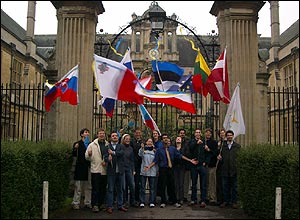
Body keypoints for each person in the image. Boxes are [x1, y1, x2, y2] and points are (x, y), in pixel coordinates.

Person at [144, 134, 197, 208]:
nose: (167, 142)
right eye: (166, 141)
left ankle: (174, 201)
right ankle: (163, 201)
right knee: (163, 186)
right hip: (163, 169)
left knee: (172, 185)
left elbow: (180, 156)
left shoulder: (172, 149)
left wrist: (190, 160)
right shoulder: (159, 150)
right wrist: (149, 166)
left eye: (168, 141)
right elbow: (155, 160)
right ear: (163, 141)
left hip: (170, 169)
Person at [85, 128, 109, 212]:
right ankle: (95, 205)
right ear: (97, 135)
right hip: (95, 169)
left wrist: (107, 161)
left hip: (104, 169)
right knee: (95, 188)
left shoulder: (107, 144)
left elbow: (108, 156)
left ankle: (101, 204)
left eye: (103, 133)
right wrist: (89, 154)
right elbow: (86, 157)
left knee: (103, 188)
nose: (102, 135)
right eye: (100, 133)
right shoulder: (92, 145)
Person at [104, 131, 128, 214]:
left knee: (120, 189)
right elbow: (105, 157)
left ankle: (120, 205)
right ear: (110, 137)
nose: (114, 137)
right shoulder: (107, 147)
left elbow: (121, 153)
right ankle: (110, 206)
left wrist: (113, 153)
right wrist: (108, 159)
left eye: (116, 136)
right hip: (111, 172)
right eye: (113, 136)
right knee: (110, 189)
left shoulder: (121, 146)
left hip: (120, 171)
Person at [217, 130, 241, 209]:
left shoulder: (237, 146)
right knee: (225, 187)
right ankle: (226, 201)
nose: (229, 136)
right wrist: (219, 157)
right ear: (226, 137)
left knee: (234, 187)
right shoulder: (222, 146)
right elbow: (218, 155)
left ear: (233, 136)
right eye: (228, 135)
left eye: (231, 135)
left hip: (234, 169)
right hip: (225, 169)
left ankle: (234, 202)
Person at [71, 128, 92, 210]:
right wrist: (75, 148)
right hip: (80, 167)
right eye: (85, 132)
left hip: (88, 167)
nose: (87, 134)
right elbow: (74, 154)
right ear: (82, 134)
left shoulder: (91, 144)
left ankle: (88, 202)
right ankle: (76, 202)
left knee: (88, 186)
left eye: (88, 132)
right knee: (78, 186)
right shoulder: (78, 143)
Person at [189, 128, 210, 208]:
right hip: (194, 165)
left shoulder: (204, 142)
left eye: (199, 132)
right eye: (196, 132)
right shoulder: (191, 142)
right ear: (194, 134)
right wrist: (196, 143)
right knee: (193, 184)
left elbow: (208, 154)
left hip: (202, 165)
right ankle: (193, 199)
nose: (197, 133)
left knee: (203, 184)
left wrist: (206, 162)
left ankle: (203, 200)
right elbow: (190, 149)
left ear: (201, 134)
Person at [138, 138, 158, 208]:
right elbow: (140, 154)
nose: (150, 142)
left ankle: (152, 201)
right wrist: (142, 148)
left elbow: (156, 160)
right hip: (144, 171)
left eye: (151, 141)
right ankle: (142, 201)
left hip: (152, 171)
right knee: (142, 187)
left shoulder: (155, 151)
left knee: (152, 188)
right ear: (146, 142)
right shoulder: (144, 150)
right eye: (148, 141)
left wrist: (155, 150)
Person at [121, 134, 137, 208]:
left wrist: (133, 169)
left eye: (129, 139)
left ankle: (132, 201)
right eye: (126, 139)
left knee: (132, 185)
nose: (128, 140)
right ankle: (124, 201)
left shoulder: (130, 148)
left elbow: (132, 160)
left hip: (129, 168)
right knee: (123, 186)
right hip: (122, 169)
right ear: (123, 139)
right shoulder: (120, 147)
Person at [204, 128, 218, 205]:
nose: (208, 134)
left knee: (212, 182)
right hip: (204, 165)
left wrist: (209, 150)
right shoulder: (203, 142)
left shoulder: (214, 143)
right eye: (206, 133)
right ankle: (205, 197)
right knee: (205, 182)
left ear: (211, 134)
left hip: (212, 165)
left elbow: (215, 153)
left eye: (209, 133)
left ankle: (212, 198)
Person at [130, 127, 144, 206]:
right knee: (133, 183)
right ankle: (133, 199)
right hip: (133, 164)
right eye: (137, 133)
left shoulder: (143, 141)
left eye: (139, 133)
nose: (138, 134)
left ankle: (138, 199)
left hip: (141, 164)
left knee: (139, 183)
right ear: (134, 134)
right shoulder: (132, 142)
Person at [178, 128, 191, 203]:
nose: (182, 134)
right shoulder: (176, 141)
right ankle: (180, 196)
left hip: (186, 165)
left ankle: (185, 196)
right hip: (178, 165)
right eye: (181, 133)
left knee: (186, 182)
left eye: (183, 133)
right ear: (179, 134)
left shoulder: (187, 142)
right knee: (179, 182)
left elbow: (188, 153)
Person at [173, 136, 185, 205]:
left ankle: (181, 198)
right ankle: (176, 198)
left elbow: (186, 155)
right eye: (177, 138)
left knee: (181, 183)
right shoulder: (173, 148)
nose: (178, 139)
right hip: (175, 167)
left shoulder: (183, 148)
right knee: (175, 183)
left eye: (179, 139)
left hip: (181, 167)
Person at [216, 128, 226, 205]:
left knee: (224, 183)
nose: (222, 134)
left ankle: (225, 200)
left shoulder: (227, 143)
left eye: (223, 133)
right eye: (221, 133)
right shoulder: (218, 143)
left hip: (225, 166)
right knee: (219, 183)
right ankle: (219, 199)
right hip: (218, 166)